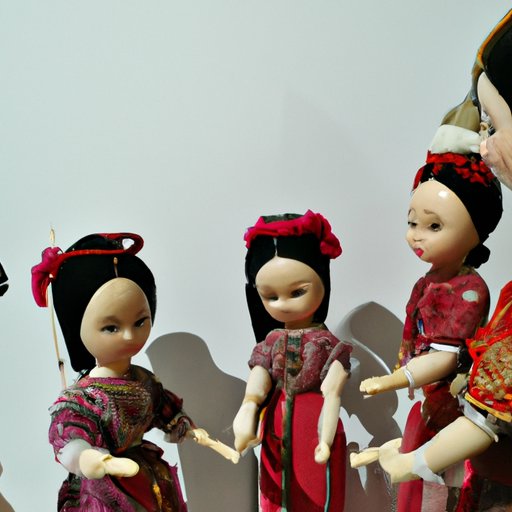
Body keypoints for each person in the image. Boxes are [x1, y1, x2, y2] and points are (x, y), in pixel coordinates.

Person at [31, 232, 238, 512]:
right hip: (105, 486)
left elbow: (162, 408)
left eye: (140, 322)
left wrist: (183, 427)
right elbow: (70, 434)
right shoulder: (81, 399)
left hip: (148, 475)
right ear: (75, 326)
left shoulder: (143, 380)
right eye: (111, 328)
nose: (129, 336)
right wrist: (88, 458)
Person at [353, 151, 503, 511]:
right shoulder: (427, 282)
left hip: (452, 408)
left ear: (475, 231)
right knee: (414, 490)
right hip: (426, 403)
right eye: (413, 223)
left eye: (434, 226)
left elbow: (446, 357)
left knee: (437, 490)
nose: (416, 236)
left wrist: (394, 379)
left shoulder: (470, 290)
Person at [233, 210, 352, 511]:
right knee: (277, 491)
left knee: (316, 492)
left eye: (297, 292)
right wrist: (248, 406)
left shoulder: (328, 344)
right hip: (276, 424)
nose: (283, 304)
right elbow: (259, 378)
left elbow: (332, 394)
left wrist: (325, 438)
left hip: (314, 423)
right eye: (270, 296)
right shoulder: (270, 342)